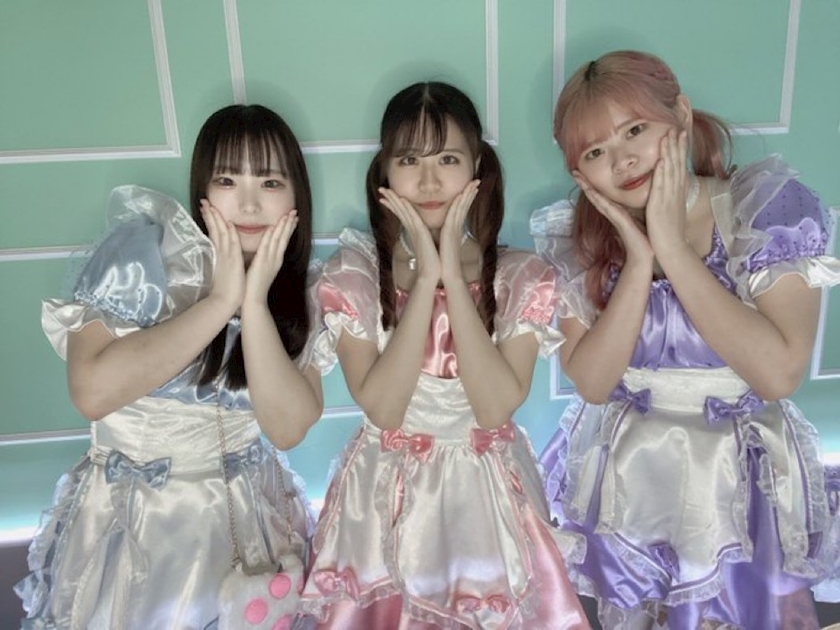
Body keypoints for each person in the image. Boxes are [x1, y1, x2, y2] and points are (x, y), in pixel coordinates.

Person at [533, 49, 840, 629]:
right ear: (579, 173)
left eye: (635, 130)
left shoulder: (762, 207)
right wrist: (640, 255)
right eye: (595, 152)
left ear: (680, 114)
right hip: (632, 475)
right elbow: (593, 383)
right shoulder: (581, 240)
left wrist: (673, 249)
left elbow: (778, 373)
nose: (622, 160)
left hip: (736, 477)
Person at [15, 104, 323, 629]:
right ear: (202, 187)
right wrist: (219, 301)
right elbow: (92, 392)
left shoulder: (303, 289)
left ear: (297, 197)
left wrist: (252, 304)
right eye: (227, 179)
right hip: (136, 524)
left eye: (271, 182)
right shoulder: (145, 255)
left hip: (248, 519)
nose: (249, 202)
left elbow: (287, 428)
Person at [297, 81, 590, 630]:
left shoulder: (521, 276)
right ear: (385, 171)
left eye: (448, 159)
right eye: (409, 160)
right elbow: (384, 409)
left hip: (484, 493)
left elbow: (494, 407)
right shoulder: (354, 275)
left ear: (477, 165)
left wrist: (452, 277)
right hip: (383, 493)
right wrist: (426, 272)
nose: (429, 181)